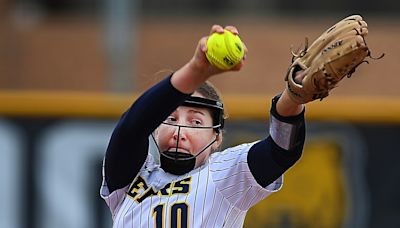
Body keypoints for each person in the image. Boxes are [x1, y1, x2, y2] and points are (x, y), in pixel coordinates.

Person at [100, 25, 305, 228]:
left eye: (195, 122)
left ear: (216, 137)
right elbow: (132, 127)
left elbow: (281, 150)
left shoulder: (224, 175)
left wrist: (293, 97)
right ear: (155, 128)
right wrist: (195, 70)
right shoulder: (131, 178)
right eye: (171, 119)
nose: (179, 131)